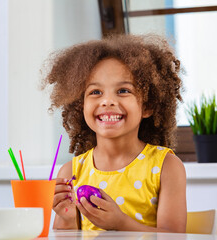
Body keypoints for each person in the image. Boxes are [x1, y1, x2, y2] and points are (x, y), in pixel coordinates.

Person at [41, 34, 186, 232]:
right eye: (95, 92)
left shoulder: (166, 167)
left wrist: (121, 223)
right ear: (80, 106)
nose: (107, 101)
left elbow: (174, 238)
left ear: (148, 106)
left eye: (123, 91)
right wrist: (66, 219)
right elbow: (64, 236)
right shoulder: (71, 172)